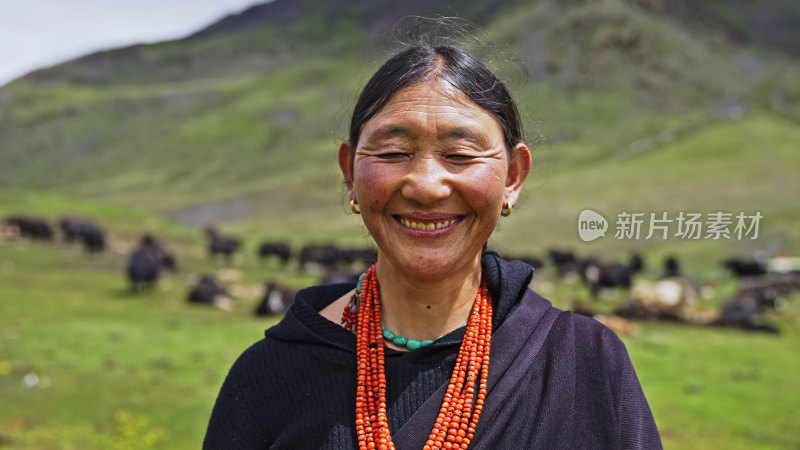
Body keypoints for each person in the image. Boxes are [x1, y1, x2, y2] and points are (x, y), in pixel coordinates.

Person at [204, 43, 662, 449]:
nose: (425, 186)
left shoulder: (586, 364)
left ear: (513, 177)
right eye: (392, 153)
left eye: (461, 155)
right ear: (349, 173)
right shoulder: (269, 376)